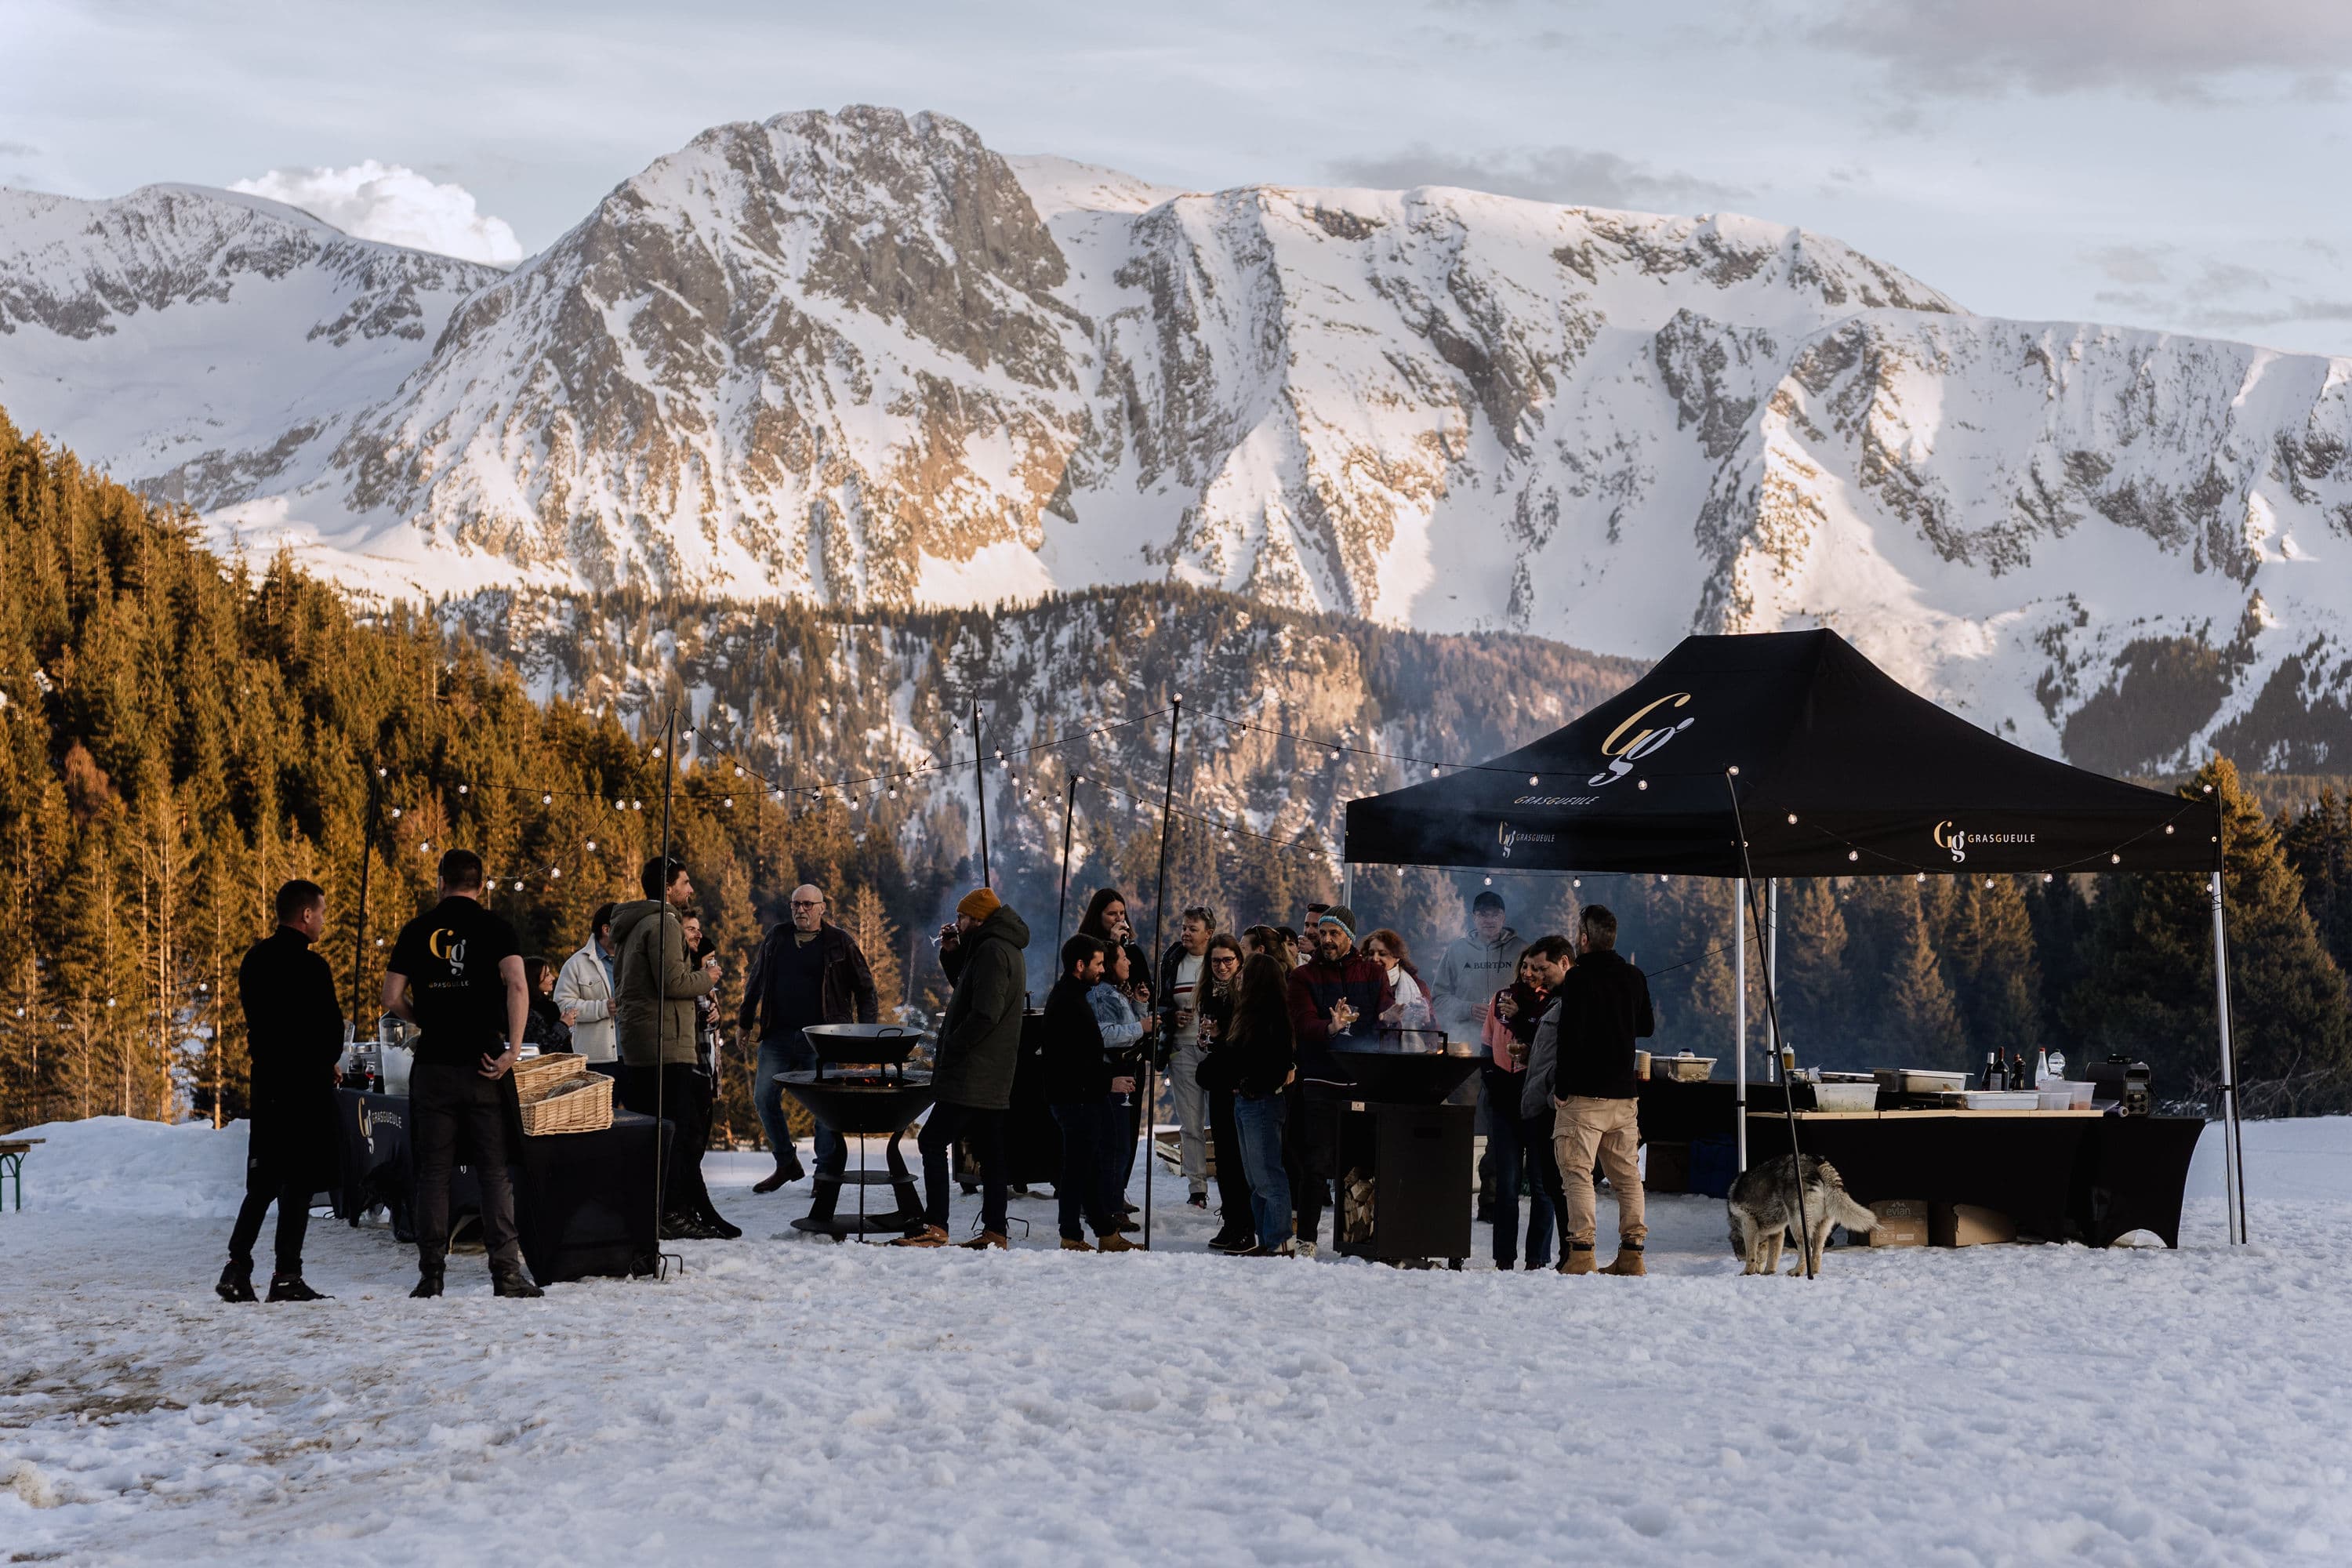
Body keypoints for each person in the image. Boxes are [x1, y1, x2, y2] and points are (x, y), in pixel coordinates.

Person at [383, 849, 541, 1298]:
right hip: (484, 1064)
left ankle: (431, 1273)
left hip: (433, 1063)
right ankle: (506, 1274)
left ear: (441, 882)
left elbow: (390, 996)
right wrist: (512, 1049)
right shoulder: (496, 927)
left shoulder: (416, 930)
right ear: (481, 884)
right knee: (494, 1172)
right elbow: (516, 983)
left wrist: (425, 1021)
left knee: (433, 1173)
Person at [217, 878, 345, 1304]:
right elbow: (329, 1033)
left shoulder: (254, 959)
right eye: (322, 913)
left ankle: (237, 1266)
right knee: (299, 1183)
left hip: (268, 1083)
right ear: (306, 915)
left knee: (264, 1181)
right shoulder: (313, 968)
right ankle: (287, 1275)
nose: (324, 921)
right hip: (305, 1088)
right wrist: (326, 1061)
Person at [897, 887, 1029, 1249]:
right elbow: (972, 989)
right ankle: (995, 1231)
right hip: (994, 1068)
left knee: (932, 1139)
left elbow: (984, 1012)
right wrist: (953, 955)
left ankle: (936, 1226)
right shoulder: (1000, 947)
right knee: (991, 1151)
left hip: (975, 1069)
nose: (957, 924)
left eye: (962, 918)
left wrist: (954, 1043)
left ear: (978, 919)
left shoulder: (991, 950)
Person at [612, 856, 734, 1241]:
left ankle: (670, 1210)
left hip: (644, 1041)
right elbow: (673, 982)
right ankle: (672, 1213)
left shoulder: (632, 926)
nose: (690, 890)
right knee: (680, 1135)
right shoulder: (663, 922)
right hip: (666, 1043)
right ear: (667, 888)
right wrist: (708, 976)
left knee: (663, 1134)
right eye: (685, 882)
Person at [738, 884, 881, 1197]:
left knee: (823, 1109)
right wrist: (745, 1021)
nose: (800, 910)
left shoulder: (839, 942)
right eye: (795, 905)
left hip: (823, 1040)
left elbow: (866, 990)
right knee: (763, 1098)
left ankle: (825, 1173)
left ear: (822, 907)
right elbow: (757, 978)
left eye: (806, 904)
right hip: (777, 1035)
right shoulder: (777, 936)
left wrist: (867, 1035)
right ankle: (786, 1162)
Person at [1541, 906, 1654, 1277]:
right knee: (1627, 1178)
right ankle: (1632, 1253)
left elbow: (1569, 1038)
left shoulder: (1576, 980)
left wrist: (1562, 1087)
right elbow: (1647, 1027)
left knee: (1576, 1173)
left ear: (1585, 939)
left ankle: (1582, 1252)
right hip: (1625, 1096)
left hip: (1584, 1097)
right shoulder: (1634, 976)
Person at [1282, 906, 1391, 1255]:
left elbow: (1384, 1016)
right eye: (1323, 933)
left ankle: (1359, 1240)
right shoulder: (1303, 977)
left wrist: (1395, 1016)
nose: (1326, 940)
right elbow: (1302, 1024)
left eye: (1334, 934)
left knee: (1361, 1165)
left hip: (1363, 1081)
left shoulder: (1374, 973)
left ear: (1350, 937)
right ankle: (1307, 1240)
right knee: (1315, 1164)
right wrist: (1331, 1027)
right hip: (1320, 1081)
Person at [1039, 935, 1138, 1253]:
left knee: (1090, 1167)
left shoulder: (1075, 996)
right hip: (1075, 1099)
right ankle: (1071, 1233)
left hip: (1083, 1096)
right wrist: (1106, 1083)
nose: (1102, 970)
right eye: (1097, 964)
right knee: (1078, 1170)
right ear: (1079, 965)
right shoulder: (1068, 1002)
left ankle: (1106, 1232)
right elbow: (1072, 1060)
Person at [1434, 891, 1527, 1226]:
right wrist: (1465, 1008)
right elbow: (1439, 997)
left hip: (1507, 1055)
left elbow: (1536, 993)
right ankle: (1449, 1195)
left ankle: (1491, 1201)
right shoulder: (1457, 952)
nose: (1489, 920)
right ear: (1473, 918)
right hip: (1465, 1053)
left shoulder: (1521, 951)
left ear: (1504, 918)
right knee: (1460, 1126)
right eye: (1482, 914)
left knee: (1498, 1130)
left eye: (1495, 914)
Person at [1481, 942, 1566, 1271]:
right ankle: (1504, 1257)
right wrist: (1491, 1079)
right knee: (1507, 1181)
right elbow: (1486, 1044)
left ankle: (1537, 1257)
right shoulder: (1502, 999)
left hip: (1537, 1101)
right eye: (1525, 967)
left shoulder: (1551, 1003)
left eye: (1535, 967)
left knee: (1542, 1183)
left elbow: (1542, 1042)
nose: (1529, 973)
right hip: (1504, 1098)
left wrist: (1519, 1020)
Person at [1223, 952, 1298, 1256]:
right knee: (1255, 1177)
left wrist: (1251, 1083)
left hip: (1262, 1102)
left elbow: (1277, 1065)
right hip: (1246, 1100)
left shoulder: (1273, 1016)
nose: (1238, 977)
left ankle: (1279, 1239)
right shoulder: (1248, 1013)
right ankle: (1266, 1237)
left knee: (1267, 1174)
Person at [1196, 933, 1255, 1253]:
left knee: (1238, 1159)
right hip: (1219, 1082)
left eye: (1227, 960)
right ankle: (1232, 1220)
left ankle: (1245, 1225)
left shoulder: (1244, 993)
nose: (1221, 966)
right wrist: (1208, 1040)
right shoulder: (1208, 992)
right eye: (1215, 961)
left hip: (1238, 1083)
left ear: (1238, 961)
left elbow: (1244, 1041)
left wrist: (1220, 1037)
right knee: (1224, 1157)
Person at [1158, 906, 1218, 1209]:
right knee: (1191, 1121)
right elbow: (1161, 1003)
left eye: (1193, 929)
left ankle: (1232, 1183)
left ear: (1209, 933)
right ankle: (1197, 1187)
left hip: (1215, 1050)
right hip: (1182, 1048)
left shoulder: (1219, 961)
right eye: (1183, 927)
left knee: (1221, 1120)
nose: (1185, 934)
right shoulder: (1173, 961)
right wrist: (1173, 1017)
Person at [554, 903, 620, 1076]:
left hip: (633, 1055)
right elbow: (562, 1005)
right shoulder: (576, 964)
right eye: (622, 926)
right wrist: (604, 1008)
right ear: (606, 929)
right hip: (596, 1060)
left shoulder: (633, 962)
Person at [1363, 929, 1432, 1031]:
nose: (1375, 958)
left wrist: (1427, 1020)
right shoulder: (1356, 983)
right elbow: (1354, 1029)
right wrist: (1384, 1019)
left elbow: (1433, 1036)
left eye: (1382, 954)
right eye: (1371, 953)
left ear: (1397, 957)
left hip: (1409, 1046)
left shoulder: (1419, 987)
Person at [522, 956, 575, 1054]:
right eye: (547, 975)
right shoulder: (547, 1008)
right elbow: (546, 1048)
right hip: (552, 1068)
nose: (552, 978)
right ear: (534, 979)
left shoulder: (519, 1006)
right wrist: (564, 1024)